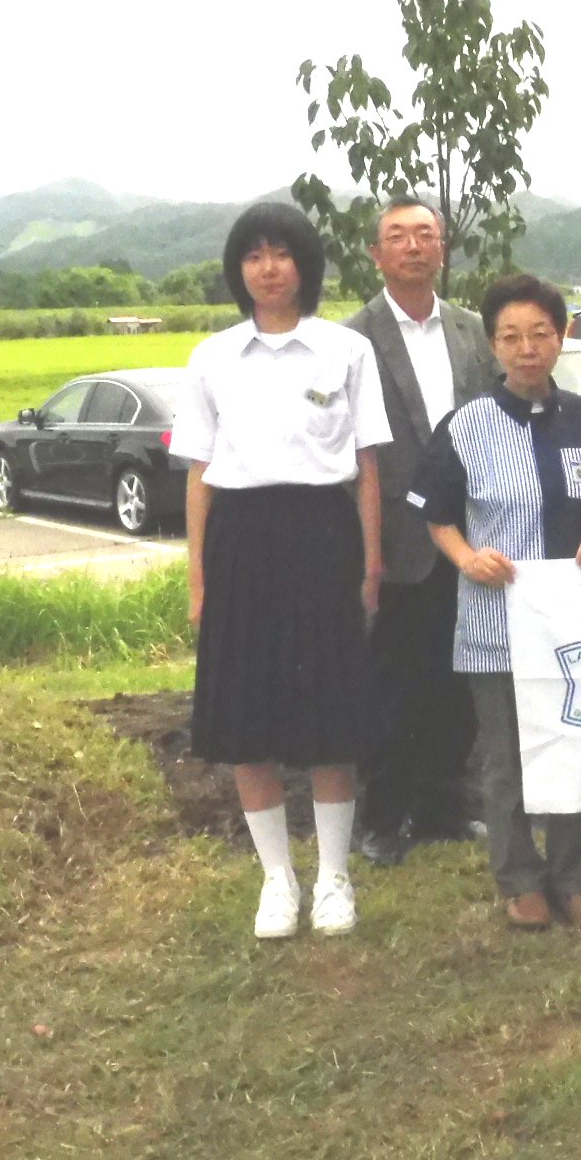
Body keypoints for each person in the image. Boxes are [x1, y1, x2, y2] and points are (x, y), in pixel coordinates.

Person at [170, 201, 391, 939]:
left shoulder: (345, 352)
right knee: (246, 715)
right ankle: (276, 880)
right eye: (254, 255)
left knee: (331, 714)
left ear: (306, 265)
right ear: (239, 270)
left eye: (283, 254)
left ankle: (333, 877)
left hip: (324, 535)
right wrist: (199, 577)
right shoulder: (211, 357)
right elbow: (199, 474)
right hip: (241, 539)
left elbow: (366, 469)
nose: (268, 268)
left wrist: (370, 563)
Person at [413, 275, 581, 929]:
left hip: (574, 621)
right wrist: (466, 558)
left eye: (540, 333)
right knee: (505, 756)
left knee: (574, 744)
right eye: (511, 336)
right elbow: (438, 515)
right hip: (495, 619)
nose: (527, 348)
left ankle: (574, 877)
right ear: (494, 347)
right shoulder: (467, 427)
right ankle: (517, 878)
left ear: (561, 339)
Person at [345, 200, 496, 867]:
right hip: (395, 539)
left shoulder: (471, 330)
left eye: (425, 235)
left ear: (444, 250)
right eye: (397, 237)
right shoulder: (351, 339)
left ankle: (444, 804)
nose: (413, 247)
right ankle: (382, 815)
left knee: (458, 679)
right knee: (391, 682)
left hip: (470, 533)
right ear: (376, 254)